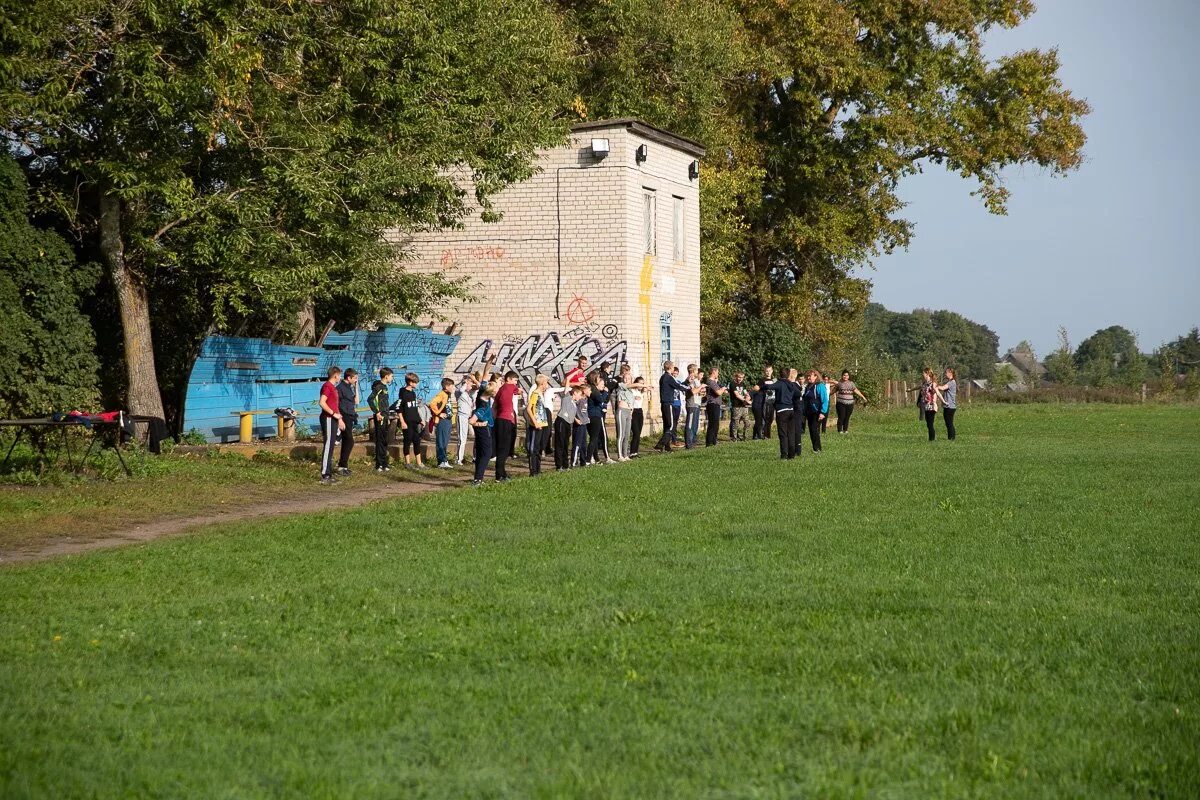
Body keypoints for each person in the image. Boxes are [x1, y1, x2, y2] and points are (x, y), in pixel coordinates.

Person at [654, 361, 690, 452]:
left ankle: (667, 447)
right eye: (673, 367)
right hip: (668, 403)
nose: (674, 368)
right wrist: (689, 387)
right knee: (671, 426)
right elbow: (678, 385)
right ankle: (660, 444)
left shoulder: (663, 377)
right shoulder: (669, 377)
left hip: (664, 403)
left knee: (666, 426)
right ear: (670, 367)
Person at [492, 370, 521, 481]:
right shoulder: (509, 386)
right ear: (508, 379)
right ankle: (499, 475)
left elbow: (495, 405)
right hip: (505, 420)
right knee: (503, 449)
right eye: (515, 380)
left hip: (500, 420)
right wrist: (519, 391)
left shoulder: (500, 390)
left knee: (502, 448)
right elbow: (518, 391)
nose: (515, 383)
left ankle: (502, 472)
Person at [317, 366, 344, 484]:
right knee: (328, 445)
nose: (340, 378)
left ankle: (328, 472)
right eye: (340, 375)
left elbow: (334, 405)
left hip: (333, 419)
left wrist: (339, 419)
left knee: (332, 445)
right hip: (328, 418)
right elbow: (322, 402)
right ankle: (325, 475)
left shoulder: (333, 388)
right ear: (335, 375)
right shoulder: (327, 386)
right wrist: (333, 414)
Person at [614, 364, 645, 461]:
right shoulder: (621, 386)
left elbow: (632, 402)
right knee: (621, 434)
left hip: (628, 412)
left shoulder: (631, 391)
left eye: (628, 378)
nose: (626, 379)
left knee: (627, 434)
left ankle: (625, 454)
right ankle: (620, 456)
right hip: (621, 411)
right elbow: (634, 385)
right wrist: (645, 385)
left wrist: (631, 411)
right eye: (625, 378)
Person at [396, 372, 425, 468]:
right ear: (410, 382)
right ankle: (407, 463)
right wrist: (402, 421)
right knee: (407, 441)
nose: (416, 384)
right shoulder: (403, 392)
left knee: (417, 441)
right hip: (406, 422)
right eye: (415, 382)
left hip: (414, 421)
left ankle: (419, 463)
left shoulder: (413, 393)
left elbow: (414, 408)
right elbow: (399, 408)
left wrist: (420, 419)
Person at [525, 373, 552, 476]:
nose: (547, 385)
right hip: (536, 425)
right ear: (542, 383)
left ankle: (538, 469)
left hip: (543, 424)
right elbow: (529, 409)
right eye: (546, 383)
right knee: (534, 448)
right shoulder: (535, 394)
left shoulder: (541, 394)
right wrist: (535, 422)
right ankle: (533, 471)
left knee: (539, 447)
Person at [368, 367, 394, 472]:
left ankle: (384, 463)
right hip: (380, 417)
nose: (392, 378)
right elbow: (370, 399)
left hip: (385, 416)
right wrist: (377, 412)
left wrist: (387, 416)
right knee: (380, 440)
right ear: (386, 376)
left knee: (384, 440)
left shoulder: (385, 387)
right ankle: (379, 464)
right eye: (391, 376)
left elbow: (384, 403)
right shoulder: (379, 387)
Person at [335, 367, 360, 475]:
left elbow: (356, 401)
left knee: (347, 441)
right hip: (344, 415)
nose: (356, 380)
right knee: (349, 440)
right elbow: (337, 404)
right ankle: (341, 466)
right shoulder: (340, 388)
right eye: (354, 378)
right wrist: (340, 419)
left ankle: (343, 466)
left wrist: (356, 387)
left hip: (350, 415)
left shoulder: (350, 387)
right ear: (348, 377)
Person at [469, 385, 494, 486]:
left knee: (480, 453)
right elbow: (471, 421)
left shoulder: (481, 396)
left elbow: (483, 382)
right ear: (490, 393)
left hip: (482, 431)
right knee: (486, 454)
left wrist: (488, 369)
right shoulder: (483, 407)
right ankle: (478, 479)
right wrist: (480, 424)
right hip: (484, 431)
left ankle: (477, 479)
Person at [773, 368, 801, 459]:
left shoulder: (781, 383)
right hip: (792, 410)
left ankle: (784, 454)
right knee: (791, 434)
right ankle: (791, 454)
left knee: (783, 434)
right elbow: (798, 393)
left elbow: (770, 387)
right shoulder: (793, 385)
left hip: (783, 410)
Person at [585, 371, 610, 465]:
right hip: (595, 415)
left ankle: (596, 459)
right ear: (594, 379)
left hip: (591, 415)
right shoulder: (593, 389)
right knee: (594, 438)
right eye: (598, 378)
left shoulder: (592, 388)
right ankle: (587, 460)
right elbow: (600, 400)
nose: (599, 379)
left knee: (593, 438)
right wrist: (605, 393)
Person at [801, 369, 829, 453]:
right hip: (809, 412)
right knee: (811, 430)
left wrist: (823, 412)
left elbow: (825, 400)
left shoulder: (820, 386)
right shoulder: (808, 386)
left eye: (811, 376)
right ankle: (815, 448)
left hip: (817, 412)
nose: (809, 377)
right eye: (808, 376)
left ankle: (817, 449)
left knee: (814, 429)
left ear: (816, 376)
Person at [554, 384, 580, 470]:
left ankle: (565, 465)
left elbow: (572, 414)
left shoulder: (574, 404)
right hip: (561, 422)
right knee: (560, 444)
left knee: (566, 444)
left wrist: (576, 420)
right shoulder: (567, 397)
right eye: (579, 394)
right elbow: (567, 382)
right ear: (574, 393)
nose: (580, 396)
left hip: (569, 424)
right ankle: (559, 466)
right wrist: (576, 372)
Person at [918, 367, 946, 442]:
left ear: (927, 374)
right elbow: (919, 387)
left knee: (930, 423)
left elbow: (938, 393)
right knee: (928, 424)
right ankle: (931, 438)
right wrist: (910, 390)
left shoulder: (933, 384)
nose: (922, 375)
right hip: (926, 406)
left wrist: (943, 401)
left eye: (923, 373)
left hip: (932, 406)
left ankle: (932, 439)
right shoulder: (924, 383)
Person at [752, 365, 777, 439]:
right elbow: (756, 388)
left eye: (769, 371)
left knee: (770, 419)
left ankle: (767, 435)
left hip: (772, 401)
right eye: (766, 371)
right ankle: (757, 435)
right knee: (762, 420)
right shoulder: (762, 380)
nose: (768, 372)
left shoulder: (775, 380)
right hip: (764, 402)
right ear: (764, 372)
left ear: (772, 371)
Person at [704, 367, 727, 447]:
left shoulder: (714, 382)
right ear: (714, 372)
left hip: (716, 404)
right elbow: (719, 392)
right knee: (712, 424)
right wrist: (723, 388)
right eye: (717, 372)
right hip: (712, 404)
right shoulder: (710, 382)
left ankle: (714, 441)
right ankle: (709, 442)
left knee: (716, 424)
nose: (718, 374)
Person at [684, 364, 704, 449]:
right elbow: (693, 391)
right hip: (691, 404)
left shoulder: (694, 380)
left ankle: (691, 442)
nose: (697, 372)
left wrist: (702, 391)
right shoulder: (690, 379)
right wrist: (701, 387)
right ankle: (688, 444)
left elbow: (697, 392)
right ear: (693, 371)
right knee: (689, 424)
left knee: (693, 424)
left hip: (695, 403)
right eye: (696, 371)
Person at [728, 371, 751, 441]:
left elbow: (745, 392)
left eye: (742, 377)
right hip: (736, 406)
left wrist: (748, 397)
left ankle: (745, 437)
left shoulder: (742, 384)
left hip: (744, 406)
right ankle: (734, 438)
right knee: (735, 423)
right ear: (736, 377)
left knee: (747, 423)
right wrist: (745, 400)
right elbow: (737, 395)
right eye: (739, 377)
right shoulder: (732, 384)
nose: (740, 379)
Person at [937, 367, 958, 441]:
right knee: (948, 423)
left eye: (946, 372)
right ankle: (950, 438)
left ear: (950, 373)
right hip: (947, 406)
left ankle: (952, 438)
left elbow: (942, 388)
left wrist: (935, 386)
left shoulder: (952, 382)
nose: (945, 374)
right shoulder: (950, 382)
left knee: (949, 423)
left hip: (950, 406)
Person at [572, 384, 590, 466]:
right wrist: (576, 419)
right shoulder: (578, 400)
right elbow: (573, 409)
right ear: (584, 391)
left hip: (584, 423)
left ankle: (583, 462)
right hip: (579, 424)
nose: (590, 391)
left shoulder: (586, 399)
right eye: (589, 390)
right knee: (577, 444)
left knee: (583, 444)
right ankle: (574, 462)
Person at [629, 377, 645, 457]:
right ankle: (632, 452)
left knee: (638, 433)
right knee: (636, 432)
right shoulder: (632, 391)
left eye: (642, 383)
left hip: (640, 411)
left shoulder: (641, 392)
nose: (641, 385)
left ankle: (636, 452)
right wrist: (634, 398)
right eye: (640, 383)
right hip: (633, 411)